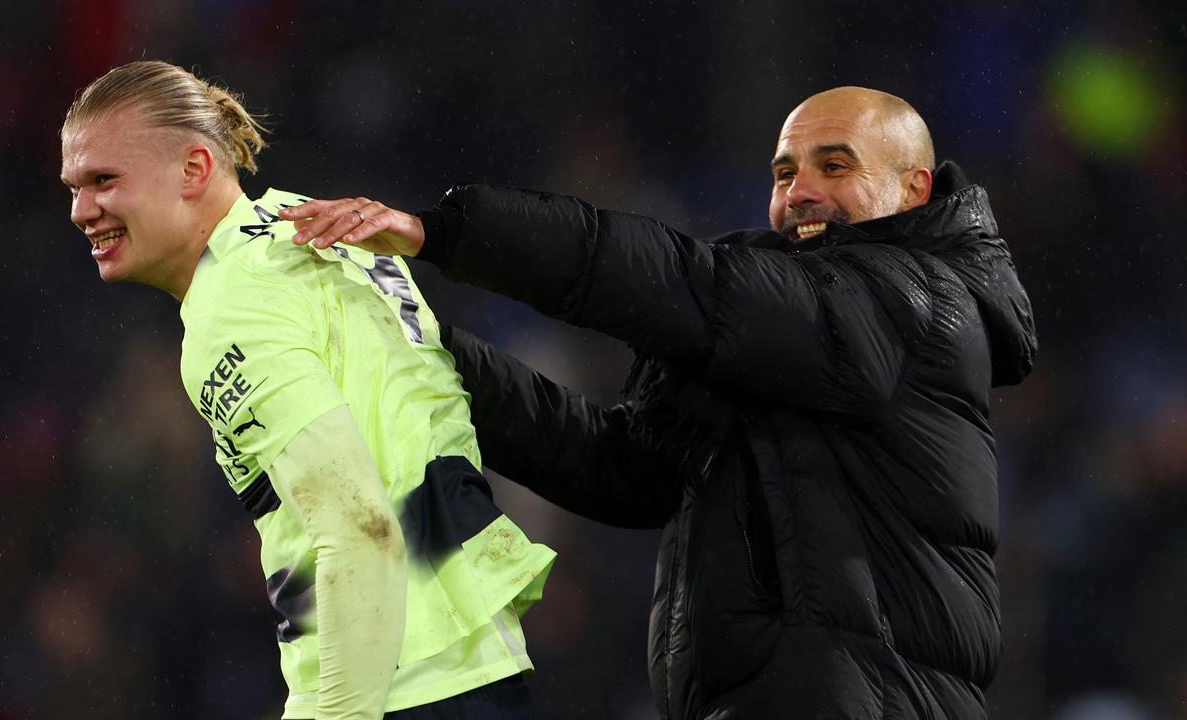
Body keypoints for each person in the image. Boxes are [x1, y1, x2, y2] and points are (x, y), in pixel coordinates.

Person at [280, 86, 1038, 718]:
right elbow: (619, 466)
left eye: (833, 165)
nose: (799, 190)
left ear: (915, 189)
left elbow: (689, 288)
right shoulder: (786, 334)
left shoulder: (919, 299)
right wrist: (413, 346)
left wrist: (445, 232)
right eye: (782, 172)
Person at [59, 60, 555, 720]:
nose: (79, 210)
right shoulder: (325, 227)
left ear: (195, 169)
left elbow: (360, 528)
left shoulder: (231, 302)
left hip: (398, 685)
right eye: (73, 187)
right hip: (472, 658)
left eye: (104, 181)